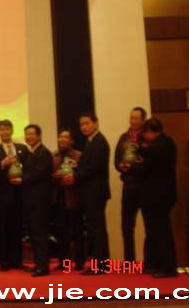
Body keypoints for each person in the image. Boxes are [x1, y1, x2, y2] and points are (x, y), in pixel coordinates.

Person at [63, 112, 110, 275]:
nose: (83, 127)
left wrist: (75, 176)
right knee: (95, 229)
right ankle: (100, 264)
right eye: (81, 124)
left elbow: (93, 168)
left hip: (96, 192)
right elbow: (87, 166)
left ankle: (100, 266)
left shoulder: (99, 142)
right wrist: (75, 169)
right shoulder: (91, 141)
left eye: (87, 123)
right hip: (90, 192)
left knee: (97, 229)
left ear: (96, 123)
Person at [137, 118, 178, 278]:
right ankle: (159, 264)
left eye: (145, 134)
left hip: (158, 195)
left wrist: (137, 161)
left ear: (149, 132)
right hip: (163, 194)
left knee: (160, 231)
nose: (145, 137)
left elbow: (147, 165)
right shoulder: (167, 143)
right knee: (158, 230)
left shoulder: (158, 146)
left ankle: (167, 267)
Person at [0, 119, 28, 271]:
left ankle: (17, 261)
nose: (4, 132)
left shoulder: (22, 148)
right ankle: (3, 261)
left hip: (20, 195)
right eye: (2, 130)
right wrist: (2, 164)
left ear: (12, 131)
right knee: (3, 229)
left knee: (17, 229)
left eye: (7, 129)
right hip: (2, 197)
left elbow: (29, 168)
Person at [16, 124, 53, 277]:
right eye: (27, 134)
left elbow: (39, 174)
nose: (28, 137)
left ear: (39, 136)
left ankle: (43, 266)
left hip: (40, 200)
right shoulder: (31, 152)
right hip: (30, 200)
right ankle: (39, 263)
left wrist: (22, 180)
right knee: (33, 232)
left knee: (40, 233)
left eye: (31, 134)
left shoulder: (44, 153)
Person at [114, 107, 148, 264]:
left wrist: (133, 167)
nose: (133, 121)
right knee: (126, 226)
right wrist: (121, 166)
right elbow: (116, 159)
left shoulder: (147, 138)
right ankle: (129, 261)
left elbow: (149, 161)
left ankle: (150, 261)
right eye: (131, 118)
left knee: (149, 225)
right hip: (128, 185)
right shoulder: (124, 137)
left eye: (136, 118)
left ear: (143, 120)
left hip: (144, 186)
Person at [52, 129, 85, 271]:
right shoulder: (53, 156)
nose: (62, 139)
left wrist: (73, 177)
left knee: (77, 230)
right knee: (61, 232)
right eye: (60, 137)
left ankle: (79, 262)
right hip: (58, 198)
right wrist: (55, 175)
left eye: (66, 137)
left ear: (71, 141)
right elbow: (47, 175)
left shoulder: (79, 155)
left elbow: (83, 175)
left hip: (73, 197)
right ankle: (64, 262)